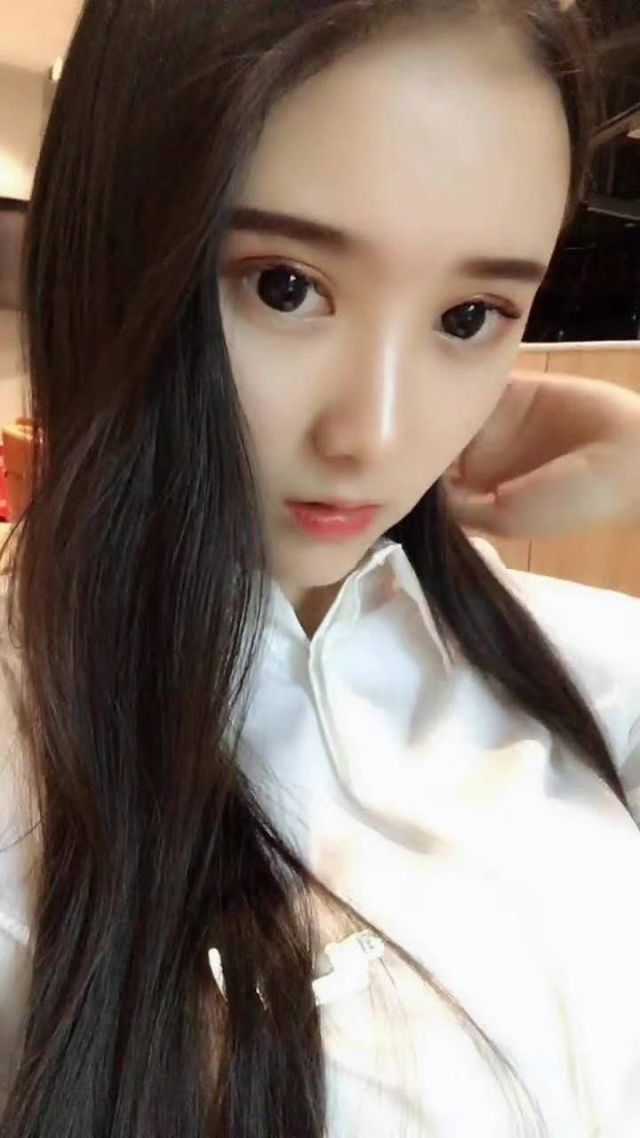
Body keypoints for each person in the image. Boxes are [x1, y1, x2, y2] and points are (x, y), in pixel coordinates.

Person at [1, 2, 640, 1136]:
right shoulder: (26, 775)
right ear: (108, 257)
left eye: (469, 314)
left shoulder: (589, 671)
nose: (374, 434)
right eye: (284, 286)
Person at [445, 367, 640, 537]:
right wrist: (443, 506)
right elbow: (511, 516)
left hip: (467, 399)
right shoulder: (629, 470)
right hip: (463, 439)